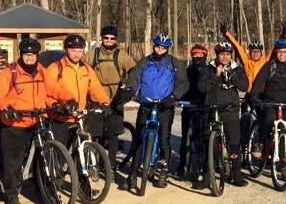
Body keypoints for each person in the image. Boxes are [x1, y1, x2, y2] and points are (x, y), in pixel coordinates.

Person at [0, 37, 69, 204]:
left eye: (33, 55)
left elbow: (54, 88)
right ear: (21, 55)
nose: (30, 58)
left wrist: (69, 99)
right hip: (15, 122)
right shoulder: (9, 73)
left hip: (36, 119)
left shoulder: (41, 71)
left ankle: (44, 191)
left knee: (42, 156)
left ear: (37, 55)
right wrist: (6, 107)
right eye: (26, 55)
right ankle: (11, 195)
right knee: (13, 161)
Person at [125, 34, 188, 189]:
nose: (160, 50)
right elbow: (134, 78)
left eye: (163, 47)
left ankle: (164, 172)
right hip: (146, 104)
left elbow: (183, 82)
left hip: (164, 106)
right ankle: (133, 174)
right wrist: (131, 91)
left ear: (167, 49)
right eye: (158, 46)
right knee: (139, 139)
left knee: (164, 139)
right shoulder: (144, 62)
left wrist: (173, 97)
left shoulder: (174, 63)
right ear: (154, 46)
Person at [44, 34, 111, 148]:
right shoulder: (55, 68)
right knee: (59, 156)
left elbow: (95, 87)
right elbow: (48, 90)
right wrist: (62, 103)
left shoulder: (85, 68)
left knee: (79, 153)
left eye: (80, 51)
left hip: (79, 117)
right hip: (61, 117)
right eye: (73, 51)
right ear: (66, 50)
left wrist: (104, 102)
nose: (77, 54)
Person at [198, 41, 249, 188]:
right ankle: (207, 177)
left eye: (227, 54)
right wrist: (216, 75)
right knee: (209, 144)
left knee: (234, 143)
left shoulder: (236, 68)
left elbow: (245, 86)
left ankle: (237, 175)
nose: (225, 57)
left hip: (230, 109)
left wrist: (231, 77)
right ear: (217, 55)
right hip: (212, 109)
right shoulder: (209, 68)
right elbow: (201, 87)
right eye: (222, 54)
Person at [84, 24, 137, 164]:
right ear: (101, 38)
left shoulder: (121, 55)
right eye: (106, 37)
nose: (108, 40)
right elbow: (82, 71)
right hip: (95, 96)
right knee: (95, 132)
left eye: (112, 38)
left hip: (115, 97)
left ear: (115, 40)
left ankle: (111, 164)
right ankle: (94, 163)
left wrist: (129, 88)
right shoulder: (92, 54)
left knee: (113, 134)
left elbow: (133, 70)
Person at [249, 37, 286, 157]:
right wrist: (254, 97)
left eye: (285, 52)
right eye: (279, 52)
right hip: (271, 103)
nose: (282, 54)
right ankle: (260, 143)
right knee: (268, 120)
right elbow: (258, 83)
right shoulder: (269, 66)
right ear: (276, 53)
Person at [176, 43, 209, 178]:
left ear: (205, 56)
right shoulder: (187, 71)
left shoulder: (209, 70)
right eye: (195, 55)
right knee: (185, 137)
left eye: (200, 55)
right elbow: (183, 86)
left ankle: (205, 163)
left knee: (202, 136)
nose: (197, 58)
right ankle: (182, 164)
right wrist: (178, 97)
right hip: (188, 106)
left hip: (204, 107)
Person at [221, 23, 268, 94]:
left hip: (262, 93)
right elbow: (237, 46)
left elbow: (275, 49)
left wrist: (282, 37)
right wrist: (226, 33)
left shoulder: (265, 61)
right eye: (253, 52)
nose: (255, 54)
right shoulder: (246, 60)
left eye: (258, 52)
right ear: (250, 53)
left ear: (261, 53)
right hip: (249, 93)